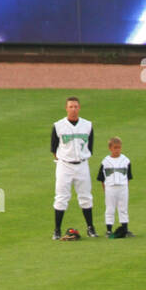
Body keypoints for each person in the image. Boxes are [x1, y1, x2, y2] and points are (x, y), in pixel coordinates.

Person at [51, 94, 97, 238]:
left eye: (76, 107)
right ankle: (57, 230)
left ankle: (90, 228)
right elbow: (54, 149)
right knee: (61, 197)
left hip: (82, 165)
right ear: (66, 108)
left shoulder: (87, 125)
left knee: (86, 197)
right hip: (64, 166)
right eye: (71, 107)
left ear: (79, 108)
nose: (73, 109)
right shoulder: (58, 126)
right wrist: (65, 160)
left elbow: (90, 147)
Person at [97, 135, 134, 237]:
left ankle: (125, 229)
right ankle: (109, 230)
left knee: (123, 208)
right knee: (110, 208)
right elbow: (102, 178)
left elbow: (128, 177)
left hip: (123, 187)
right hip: (110, 188)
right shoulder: (105, 161)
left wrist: (126, 187)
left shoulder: (126, 160)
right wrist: (105, 189)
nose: (117, 150)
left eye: (119, 147)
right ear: (110, 148)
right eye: (115, 148)